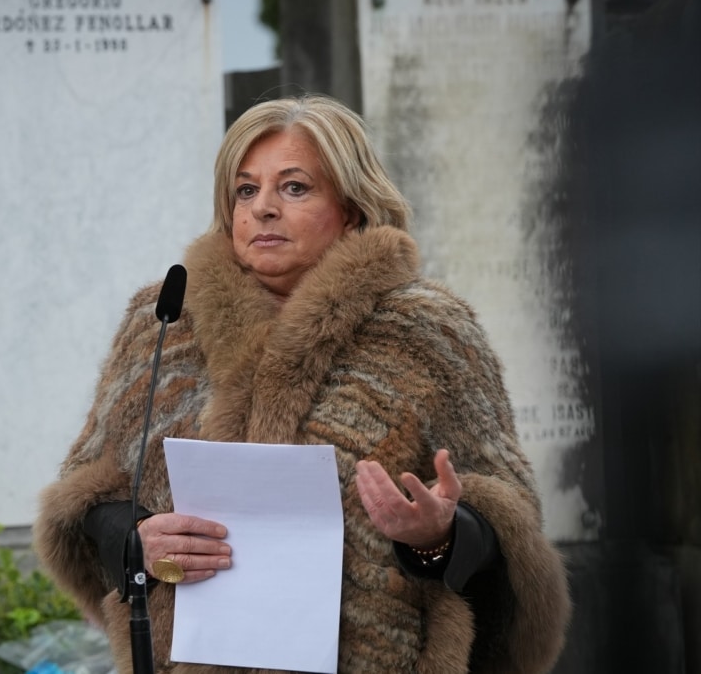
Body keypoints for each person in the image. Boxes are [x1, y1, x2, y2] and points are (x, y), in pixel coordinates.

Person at [33, 95, 570, 674]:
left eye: (294, 188)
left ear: (353, 207)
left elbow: (511, 520)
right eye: (246, 190)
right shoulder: (160, 322)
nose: (263, 209)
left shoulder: (428, 330)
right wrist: (137, 540)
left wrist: (438, 534)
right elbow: (89, 497)